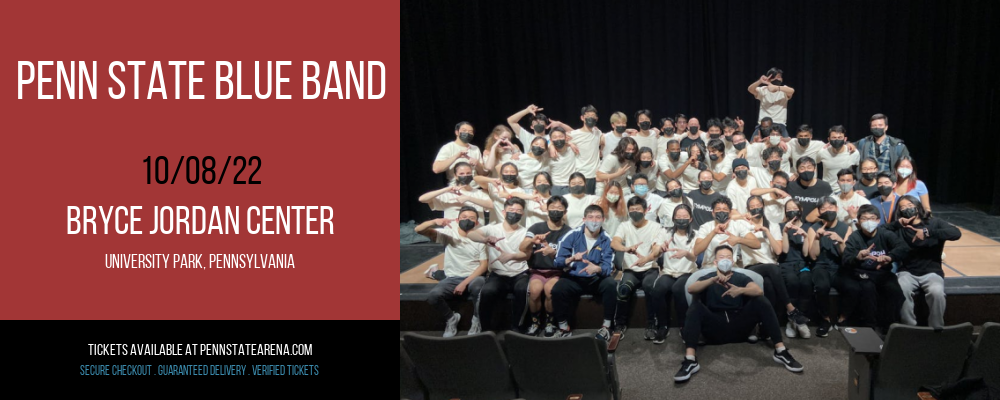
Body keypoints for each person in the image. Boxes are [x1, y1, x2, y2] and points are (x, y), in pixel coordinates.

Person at [675, 245, 804, 382]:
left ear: (733, 261)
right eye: (721, 257)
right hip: (714, 329)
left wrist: (741, 290)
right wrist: (712, 281)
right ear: (715, 262)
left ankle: (781, 351)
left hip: (740, 327)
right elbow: (691, 288)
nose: (725, 260)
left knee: (761, 300)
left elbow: (758, 290)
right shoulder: (708, 276)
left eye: (728, 257)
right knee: (695, 306)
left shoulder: (741, 277)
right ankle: (690, 360)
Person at [884, 196, 961, 329]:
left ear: (917, 206)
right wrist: (897, 224)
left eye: (909, 205)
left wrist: (927, 232)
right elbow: (880, 231)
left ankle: (936, 328)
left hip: (931, 272)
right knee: (901, 289)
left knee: (936, 292)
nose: (907, 209)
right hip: (907, 272)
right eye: (902, 207)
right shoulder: (900, 228)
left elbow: (956, 233)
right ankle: (909, 327)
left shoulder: (934, 223)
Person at [741, 195, 810, 337]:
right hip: (751, 267)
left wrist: (766, 231)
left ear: (763, 206)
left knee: (770, 287)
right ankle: (791, 310)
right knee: (773, 268)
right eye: (752, 207)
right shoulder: (742, 224)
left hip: (770, 269)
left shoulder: (773, 225)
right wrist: (743, 219)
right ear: (748, 209)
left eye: (758, 205)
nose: (755, 208)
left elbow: (778, 251)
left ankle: (764, 326)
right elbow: (732, 218)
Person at [415, 207, 489, 337]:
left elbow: (484, 266)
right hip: (452, 278)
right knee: (433, 296)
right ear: (457, 220)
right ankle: (451, 318)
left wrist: (464, 283)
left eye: (472, 218)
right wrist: (435, 221)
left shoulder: (480, 239)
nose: (467, 220)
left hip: (473, 277)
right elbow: (419, 230)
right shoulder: (448, 235)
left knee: (479, 286)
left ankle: (477, 320)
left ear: (476, 222)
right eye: (464, 217)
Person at [550, 205, 617, 338]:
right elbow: (557, 261)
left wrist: (597, 269)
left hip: (596, 279)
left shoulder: (607, 239)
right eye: (590, 217)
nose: (594, 220)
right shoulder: (572, 235)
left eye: (598, 217)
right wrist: (571, 259)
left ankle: (607, 326)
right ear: (584, 219)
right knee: (558, 289)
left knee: (610, 284)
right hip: (574, 278)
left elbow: (608, 267)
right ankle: (563, 328)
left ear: (603, 219)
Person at [466, 197, 532, 332]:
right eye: (511, 210)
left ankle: (517, 327)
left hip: (520, 273)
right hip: (498, 274)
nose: (515, 213)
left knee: (523, 290)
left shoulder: (526, 232)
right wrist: (485, 239)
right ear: (503, 212)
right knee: (487, 291)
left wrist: (512, 256)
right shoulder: (492, 229)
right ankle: (486, 330)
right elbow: (472, 234)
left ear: (523, 214)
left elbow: (527, 255)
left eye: (519, 211)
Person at [842, 204, 909, 333]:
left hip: (883, 272)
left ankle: (889, 327)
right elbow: (846, 260)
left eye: (872, 218)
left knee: (895, 292)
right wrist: (858, 257)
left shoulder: (886, 234)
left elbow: (903, 248)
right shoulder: (855, 237)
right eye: (864, 219)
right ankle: (869, 328)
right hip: (862, 274)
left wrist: (890, 257)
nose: (868, 222)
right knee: (867, 291)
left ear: (878, 220)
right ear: (859, 221)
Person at [611, 196, 666, 341]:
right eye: (632, 210)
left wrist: (647, 258)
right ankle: (620, 324)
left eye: (638, 209)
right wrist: (625, 248)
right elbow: (615, 242)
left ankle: (651, 324)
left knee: (650, 287)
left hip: (650, 268)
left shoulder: (655, 226)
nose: (635, 212)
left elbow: (656, 248)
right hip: (631, 269)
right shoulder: (624, 226)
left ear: (646, 210)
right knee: (623, 289)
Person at [520, 196, 573, 337]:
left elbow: (570, 258)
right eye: (552, 208)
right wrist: (532, 240)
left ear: (565, 212)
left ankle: (550, 323)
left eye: (559, 209)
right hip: (537, 271)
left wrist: (553, 253)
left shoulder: (569, 232)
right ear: (547, 210)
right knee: (535, 290)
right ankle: (535, 322)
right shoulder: (536, 227)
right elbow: (522, 247)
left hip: (557, 272)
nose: (556, 211)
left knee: (550, 291)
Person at [805, 197, 855, 337]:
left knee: (853, 287)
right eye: (823, 209)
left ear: (837, 209)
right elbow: (813, 256)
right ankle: (825, 319)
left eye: (831, 208)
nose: (828, 211)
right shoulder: (813, 228)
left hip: (840, 267)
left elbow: (846, 256)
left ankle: (843, 318)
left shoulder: (846, 228)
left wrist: (840, 242)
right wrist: (816, 239)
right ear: (819, 212)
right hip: (820, 267)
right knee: (822, 286)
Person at [650, 205, 698, 343]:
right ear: (673, 219)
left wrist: (686, 253)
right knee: (658, 289)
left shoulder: (696, 234)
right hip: (669, 272)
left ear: (690, 219)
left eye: (685, 217)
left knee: (679, 289)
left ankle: (683, 325)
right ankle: (662, 325)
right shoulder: (665, 233)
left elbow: (695, 258)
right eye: (678, 217)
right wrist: (660, 249)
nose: (681, 220)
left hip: (687, 272)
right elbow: (654, 252)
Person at [777, 199, 814, 338]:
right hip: (786, 263)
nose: (792, 210)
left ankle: (800, 320)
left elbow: (805, 253)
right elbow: (784, 250)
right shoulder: (780, 226)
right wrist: (785, 232)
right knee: (792, 282)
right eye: (788, 208)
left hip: (802, 264)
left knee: (806, 282)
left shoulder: (808, 227)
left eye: (795, 208)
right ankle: (791, 320)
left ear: (801, 210)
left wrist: (805, 236)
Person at [692, 197, 759, 269]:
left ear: (730, 213)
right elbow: (696, 251)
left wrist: (738, 240)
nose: (721, 211)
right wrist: (713, 233)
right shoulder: (705, 227)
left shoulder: (737, 225)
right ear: (713, 213)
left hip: (731, 267)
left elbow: (757, 244)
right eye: (718, 209)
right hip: (710, 267)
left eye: (725, 209)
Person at [419, 162, 493, 225]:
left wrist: (468, 198)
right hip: (453, 234)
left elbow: (491, 205)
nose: (465, 176)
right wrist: (446, 189)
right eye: (462, 173)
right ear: (455, 176)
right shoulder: (449, 193)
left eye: (468, 173)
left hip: (476, 234)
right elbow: (423, 199)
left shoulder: (479, 193)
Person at [747, 68, 794, 139]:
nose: (779, 79)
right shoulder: (763, 89)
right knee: (752, 144)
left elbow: (792, 91)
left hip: (779, 124)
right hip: (763, 124)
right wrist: (760, 81)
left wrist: (776, 88)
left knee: (786, 145)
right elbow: (750, 89)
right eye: (777, 77)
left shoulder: (784, 89)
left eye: (780, 77)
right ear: (770, 78)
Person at [785, 156, 833, 222]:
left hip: (815, 225)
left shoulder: (824, 186)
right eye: (802, 168)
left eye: (809, 167)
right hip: (795, 224)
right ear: (797, 170)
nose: (806, 170)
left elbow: (829, 207)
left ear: (815, 169)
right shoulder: (791, 185)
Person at [570, 105, 604, 194]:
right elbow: (556, 140)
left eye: (593, 116)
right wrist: (569, 143)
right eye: (588, 116)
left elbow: (606, 139)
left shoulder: (598, 132)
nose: (591, 118)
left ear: (596, 118)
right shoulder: (574, 134)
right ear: (582, 117)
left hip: (597, 175)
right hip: (583, 175)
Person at [817, 125, 861, 194]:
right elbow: (815, 163)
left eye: (840, 137)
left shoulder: (853, 152)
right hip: (826, 190)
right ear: (829, 139)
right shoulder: (823, 152)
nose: (837, 140)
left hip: (845, 190)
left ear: (845, 139)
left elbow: (857, 171)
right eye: (834, 138)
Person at [548, 127, 577, 196]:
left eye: (561, 136)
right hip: (554, 186)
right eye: (555, 137)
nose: (558, 139)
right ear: (551, 140)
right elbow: (539, 143)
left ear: (565, 137)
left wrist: (570, 143)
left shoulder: (572, 149)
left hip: (571, 185)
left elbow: (581, 134)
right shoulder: (548, 152)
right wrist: (550, 146)